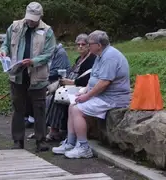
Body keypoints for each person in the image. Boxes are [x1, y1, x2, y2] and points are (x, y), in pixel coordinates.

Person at [52, 30, 131, 159]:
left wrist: (87, 97)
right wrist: (84, 91)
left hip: (113, 98)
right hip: (102, 96)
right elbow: (93, 78)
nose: (88, 46)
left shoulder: (110, 57)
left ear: (99, 45)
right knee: (73, 105)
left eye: (90, 44)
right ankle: (71, 143)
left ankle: (83, 147)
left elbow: (104, 82)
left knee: (77, 110)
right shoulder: (100, 56)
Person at [0, 2, 56, 152]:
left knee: (39, 108)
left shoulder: (47, 31)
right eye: (29, 18)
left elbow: (49, 53)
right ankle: (17, 141)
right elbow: (5, 44)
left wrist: (33, 61)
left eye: (34, 19)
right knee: (18, 108)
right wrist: (3, 51)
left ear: (40, 17)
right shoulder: (15, 27)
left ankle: (41, 141)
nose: (31, 21)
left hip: (37, 75)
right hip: (17, 74)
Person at [46, 34, 96, 141]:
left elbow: (88, 78)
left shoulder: (91, 59)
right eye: (78, 44)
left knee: (57, 96)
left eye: (83, 44)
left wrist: (72, 82)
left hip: (81, 88)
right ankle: (52, 129)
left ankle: (54, 131)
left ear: (88, 46)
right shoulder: (79, 59)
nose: (80, 47)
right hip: (72, 85)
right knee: (52, 96)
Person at [24, 43, 71, 128]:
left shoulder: (60, 53)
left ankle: (35, 118)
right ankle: (31, 116)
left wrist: (41, 75)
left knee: (34, 89)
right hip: (46, 78)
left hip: (56, 81)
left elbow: (57, 72)